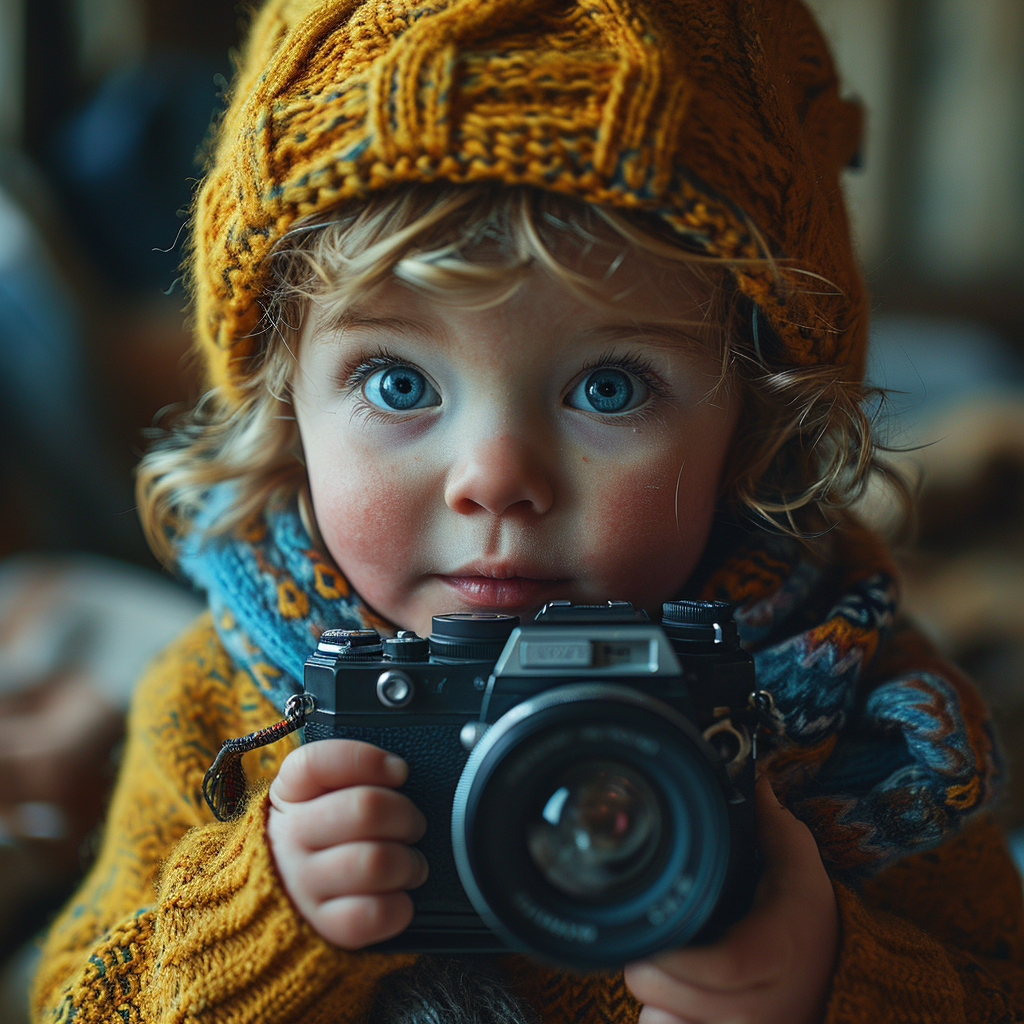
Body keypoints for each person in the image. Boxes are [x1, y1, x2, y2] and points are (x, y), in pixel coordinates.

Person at [29, 0, 1024, 1021]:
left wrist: (827, 984)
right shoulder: (223, 708)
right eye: (398, 383)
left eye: (609, 387)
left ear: (758, 420)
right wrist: (260, 916)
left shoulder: (873, 720)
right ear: (285, 408)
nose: (495, 479)